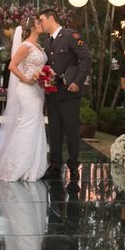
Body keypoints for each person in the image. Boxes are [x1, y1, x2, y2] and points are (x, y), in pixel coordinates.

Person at [0, 18, 49, 181]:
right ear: (32, 27)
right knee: (27, 124)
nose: (42, 24)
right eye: (39, 23)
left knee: (35, 124)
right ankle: (16, 164)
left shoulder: (39, 46)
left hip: (38, 90)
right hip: (26, 90)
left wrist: (46, 77)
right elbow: (12, 66)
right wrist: (26, 79)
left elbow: (40, 66)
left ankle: (33, 163)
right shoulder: (26, 46)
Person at [39, 9, 92, 181]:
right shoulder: (47, 41)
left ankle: (74, 167)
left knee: (71, 131)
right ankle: (55, 166)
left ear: (51, 18)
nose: (40, 24)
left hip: (69, 92)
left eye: (42, 20)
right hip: (53, 93)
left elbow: (86, 58)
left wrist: (77, 81)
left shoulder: (70, 35)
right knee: (54, 132)